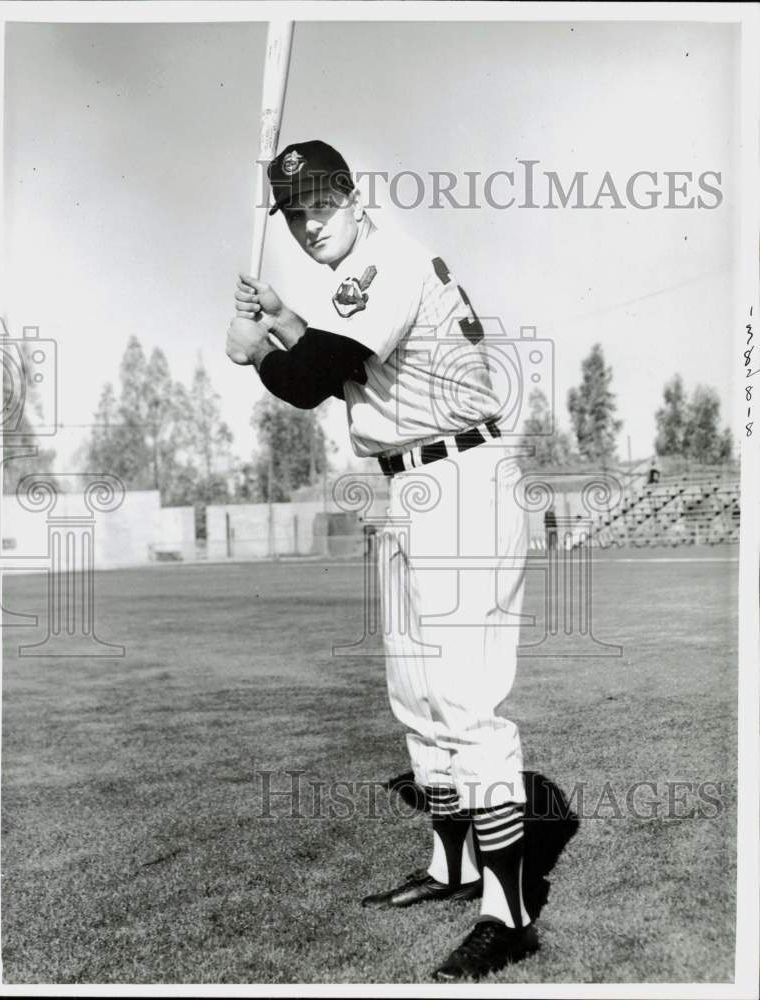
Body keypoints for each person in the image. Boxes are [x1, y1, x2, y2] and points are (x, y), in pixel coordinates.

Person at [226, 140, 535, 982]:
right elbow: (343, 361)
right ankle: (450, 866)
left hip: (462, 477)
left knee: (467, 702)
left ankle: (508, 916)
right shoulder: (354, 278)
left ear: (356, 199)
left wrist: (254, 350)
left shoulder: (384, 261)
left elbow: (313, 376)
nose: (308, 222)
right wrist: (282, 322)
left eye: (322, 204)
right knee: (416, 693)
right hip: (409, 481)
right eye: (294, 213)